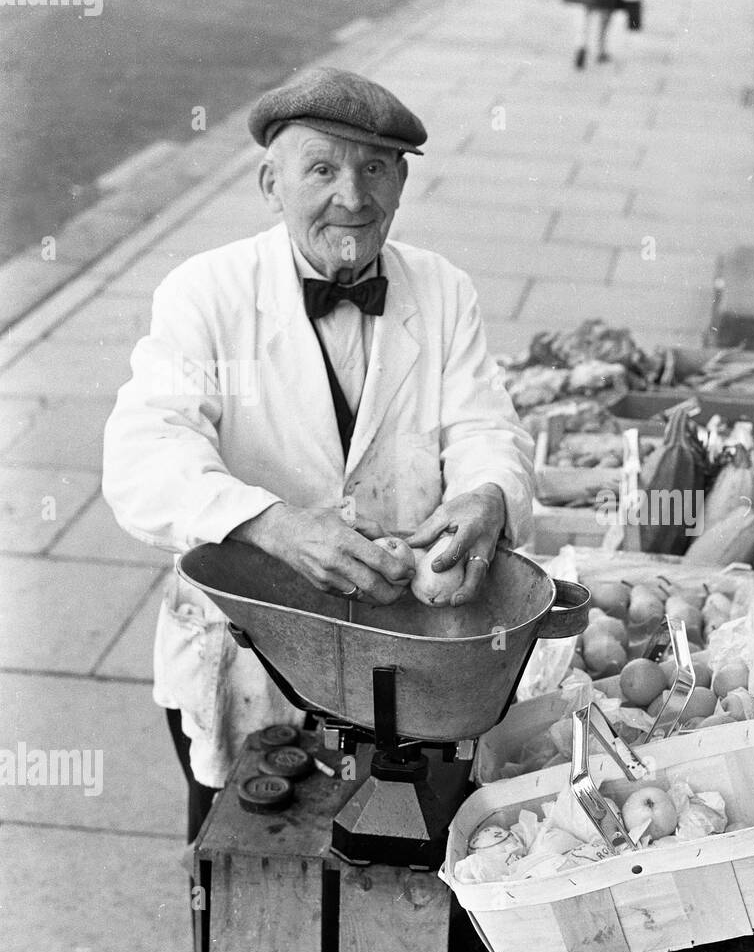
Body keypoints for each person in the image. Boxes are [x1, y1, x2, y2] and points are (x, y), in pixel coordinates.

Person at [102, 66, 536, 841]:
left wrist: (489, 495)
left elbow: (485, 429)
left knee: (408, 871)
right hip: (245, 659)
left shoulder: (443, 291)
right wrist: (271, 523)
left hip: (407, 667)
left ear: (401, 182)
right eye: (322, 168)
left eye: (375, 168)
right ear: (272, 183)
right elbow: (143, 454)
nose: (353, 196)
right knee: (244, 862)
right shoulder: (205, 292)